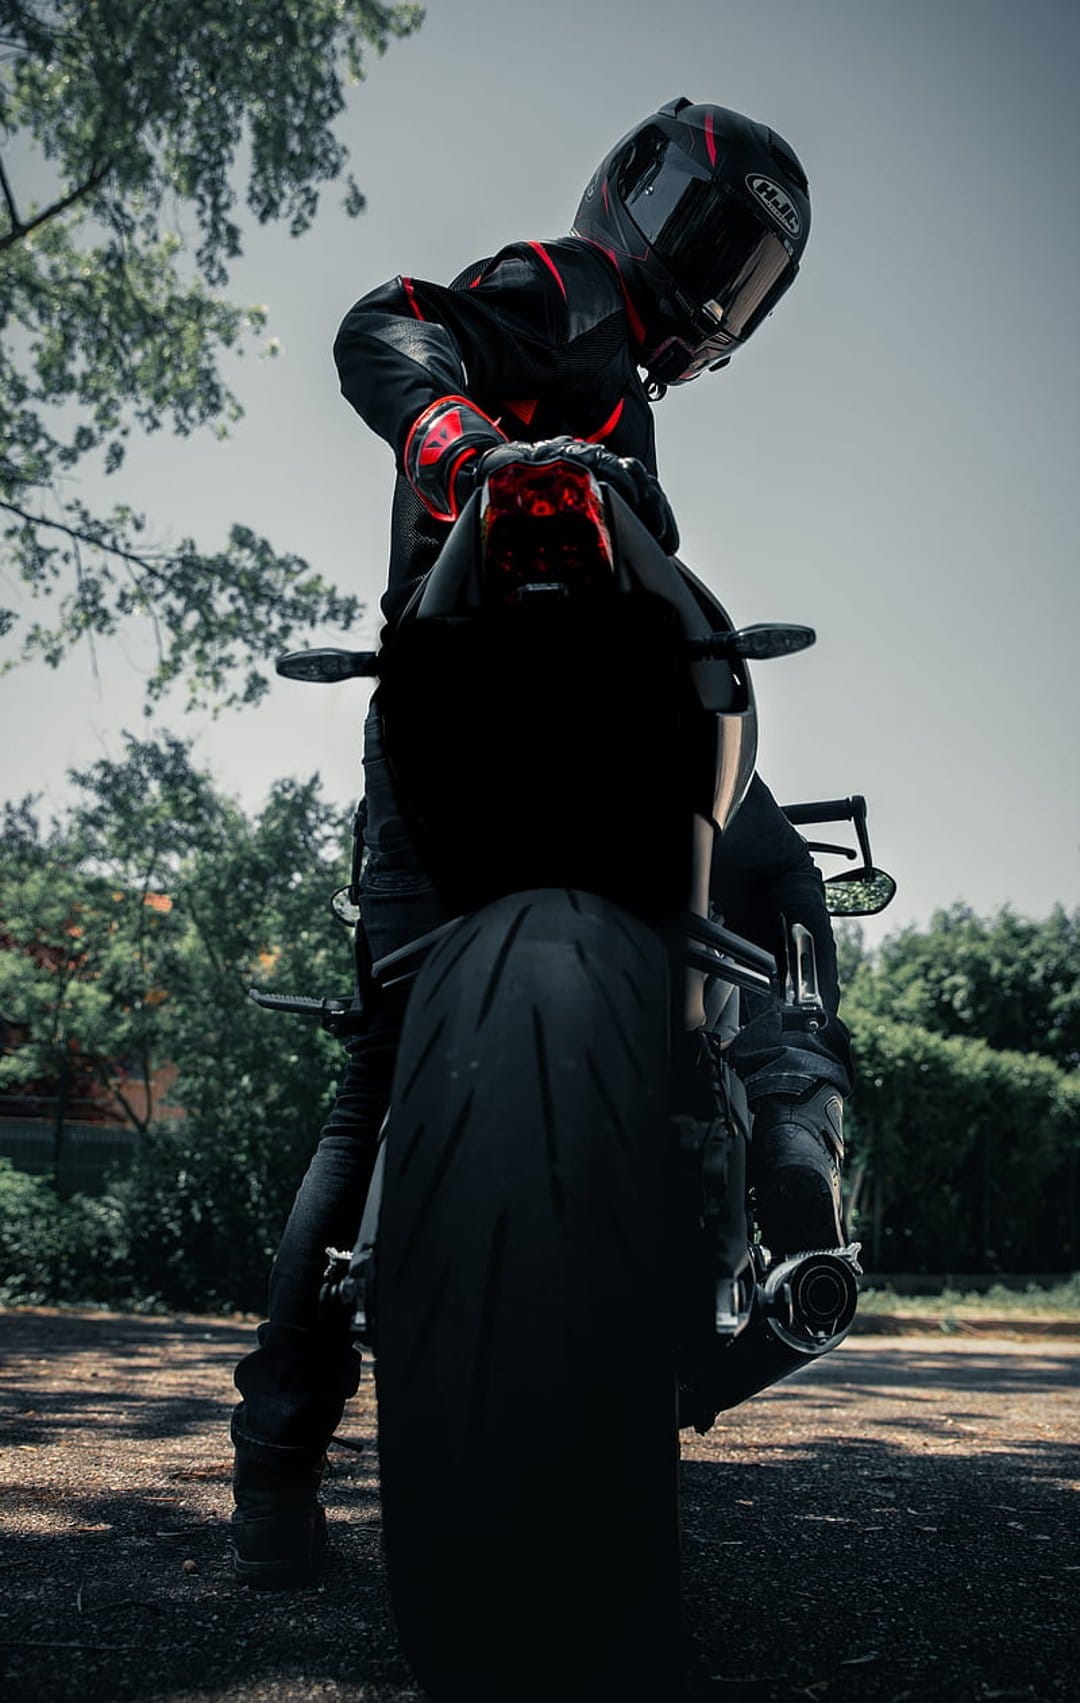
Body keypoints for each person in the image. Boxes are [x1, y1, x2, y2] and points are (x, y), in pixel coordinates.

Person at [230, 98, 853, 1588]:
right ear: (634, 204)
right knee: (761, 887)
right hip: (493, 723)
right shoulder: (565, 291)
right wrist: (447, 428)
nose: (719, 282)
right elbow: (388, 321)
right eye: (711, 237)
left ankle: (272, 1485)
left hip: (487, 744)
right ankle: (791, 1103)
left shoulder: (618, 381)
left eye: (749, 267)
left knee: (380, 1082)